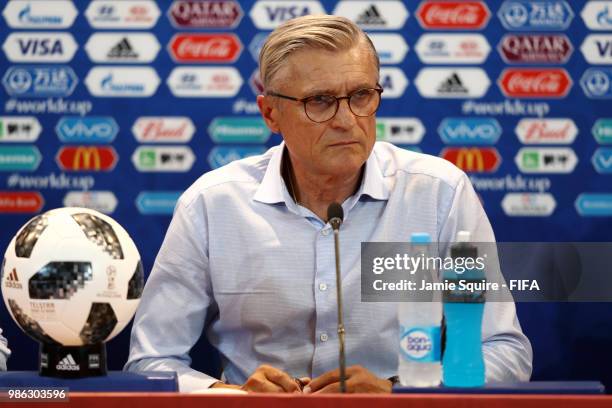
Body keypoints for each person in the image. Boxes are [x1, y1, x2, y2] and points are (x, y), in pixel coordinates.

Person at [126, 15, 532, 393]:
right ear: (270, 113)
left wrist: (399, 390)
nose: (346, 119)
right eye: (319, 101)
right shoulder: (212, 205)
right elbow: (151, 360)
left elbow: (504, 351)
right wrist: (228, 394)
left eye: (360, 95)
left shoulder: (438, 193)